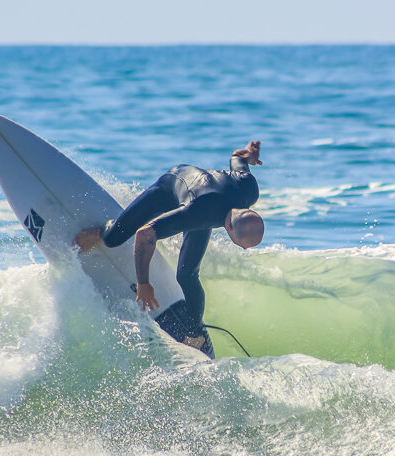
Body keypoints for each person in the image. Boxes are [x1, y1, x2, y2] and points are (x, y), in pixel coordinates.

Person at [74, 140, 264, 357]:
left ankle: (195, 333)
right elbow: (145, 234)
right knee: (114, 237)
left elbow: (236, 156)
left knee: (187, 276)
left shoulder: (249, 187)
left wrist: (249, 154)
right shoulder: (198, 213)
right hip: (173, 184)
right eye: (241, 245)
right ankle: (100, 232)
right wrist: (143, 283)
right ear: (229, 227)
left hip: (202, 200)